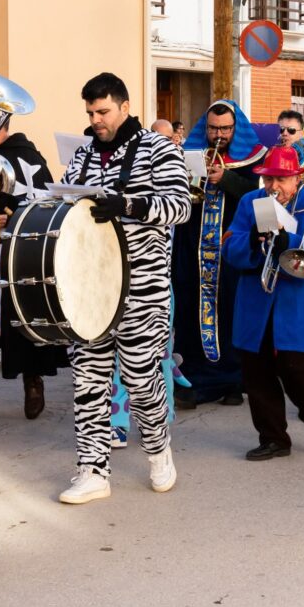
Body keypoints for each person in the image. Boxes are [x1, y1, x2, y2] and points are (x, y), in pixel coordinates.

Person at [57, 72, 191, 504]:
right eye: (90, 113)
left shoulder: (158, 150)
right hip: (90, 285)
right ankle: (92, 470)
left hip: (142, 286)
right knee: (88, 380)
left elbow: (180, 206)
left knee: (139, 377)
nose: (96, 119)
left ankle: (158, 451)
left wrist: (129, 204)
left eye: (103, 111)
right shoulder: (81, 154)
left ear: (125, 106)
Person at [0, 118, 68, 425]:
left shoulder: (28, 157)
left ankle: (33, 386)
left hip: (18, 253)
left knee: (24, 320)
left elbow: (45, 203)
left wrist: (14, 216)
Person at [222, 146, 304, 459]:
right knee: (257, 373)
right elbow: (229, 248)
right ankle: (274, 438)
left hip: (298, 300)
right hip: (256, 299)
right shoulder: (250, 202)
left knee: (298, 369)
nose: (273, 187)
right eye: (269, 179)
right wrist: (253, 240)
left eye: (281, 179)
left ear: (297, 177)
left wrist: (288, 243)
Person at [173, 100, 266, 408]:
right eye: (213, 128)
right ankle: (194, 380)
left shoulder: (254, 159)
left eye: (225, 129)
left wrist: (225, 179)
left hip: (230, 256)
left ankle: (233, 381)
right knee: (191, 314)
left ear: (235, 128)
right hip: (194, 254)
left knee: (229, 315)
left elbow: (261, 198)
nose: (218, 135)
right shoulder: (190, 153)